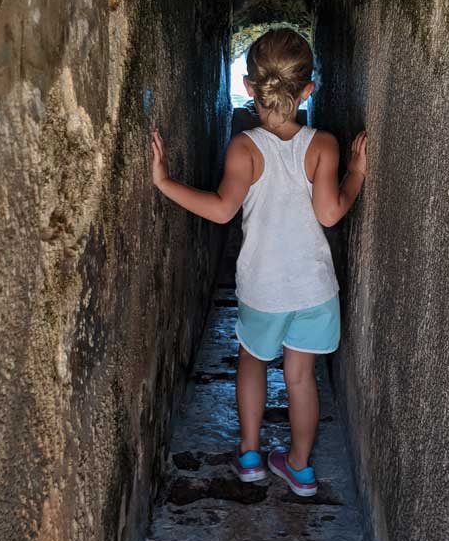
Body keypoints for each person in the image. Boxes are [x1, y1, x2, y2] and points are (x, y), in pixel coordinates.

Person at [150, 28, 367, 497]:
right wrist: (357, 174)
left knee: (251, 361)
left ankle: (250, 455)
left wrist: (166, 183)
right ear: (309, 90)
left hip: (263, 289)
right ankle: (300, 466)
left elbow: (223, 209)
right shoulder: (324, 146)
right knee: (301, 376)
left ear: (250, 88)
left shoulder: (245, 148)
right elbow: (331, 212)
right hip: (313, 291)